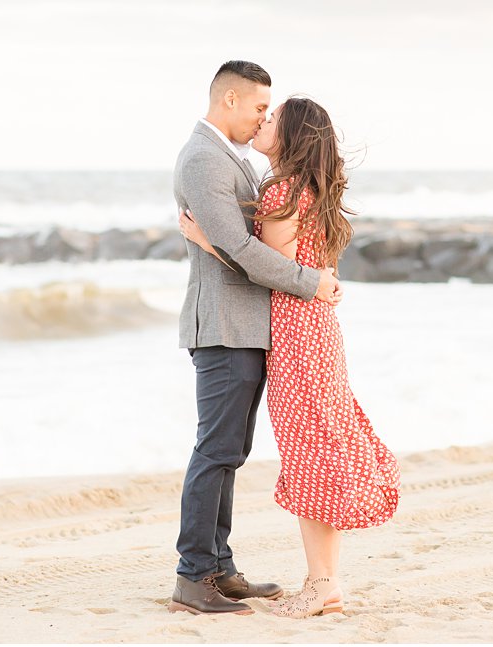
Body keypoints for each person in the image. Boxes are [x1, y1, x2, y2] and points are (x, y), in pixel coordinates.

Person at [180, 94, 400, 620]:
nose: (265, 119)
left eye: (273, 116)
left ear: (292, 135)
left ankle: (322, 584)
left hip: (297, 336)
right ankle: (326, 583)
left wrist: (207, 241)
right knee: (320, 454)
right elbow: (296, 265)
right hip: (318, 332)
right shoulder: (311, 188)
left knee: (310, 460)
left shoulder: (281, 188)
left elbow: (269, 268)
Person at [168, 61, 344, 616]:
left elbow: (245, 241)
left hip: (249, 327)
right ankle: (195, 574)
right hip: (223, 326)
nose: (263, 117)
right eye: (259, 108)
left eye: (270, 112)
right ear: (230, 101)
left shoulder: (234, 161)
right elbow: (243, 251)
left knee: (230, 451)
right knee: (215, 449)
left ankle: (219, 566)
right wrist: (312, 282)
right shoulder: (203, 159)